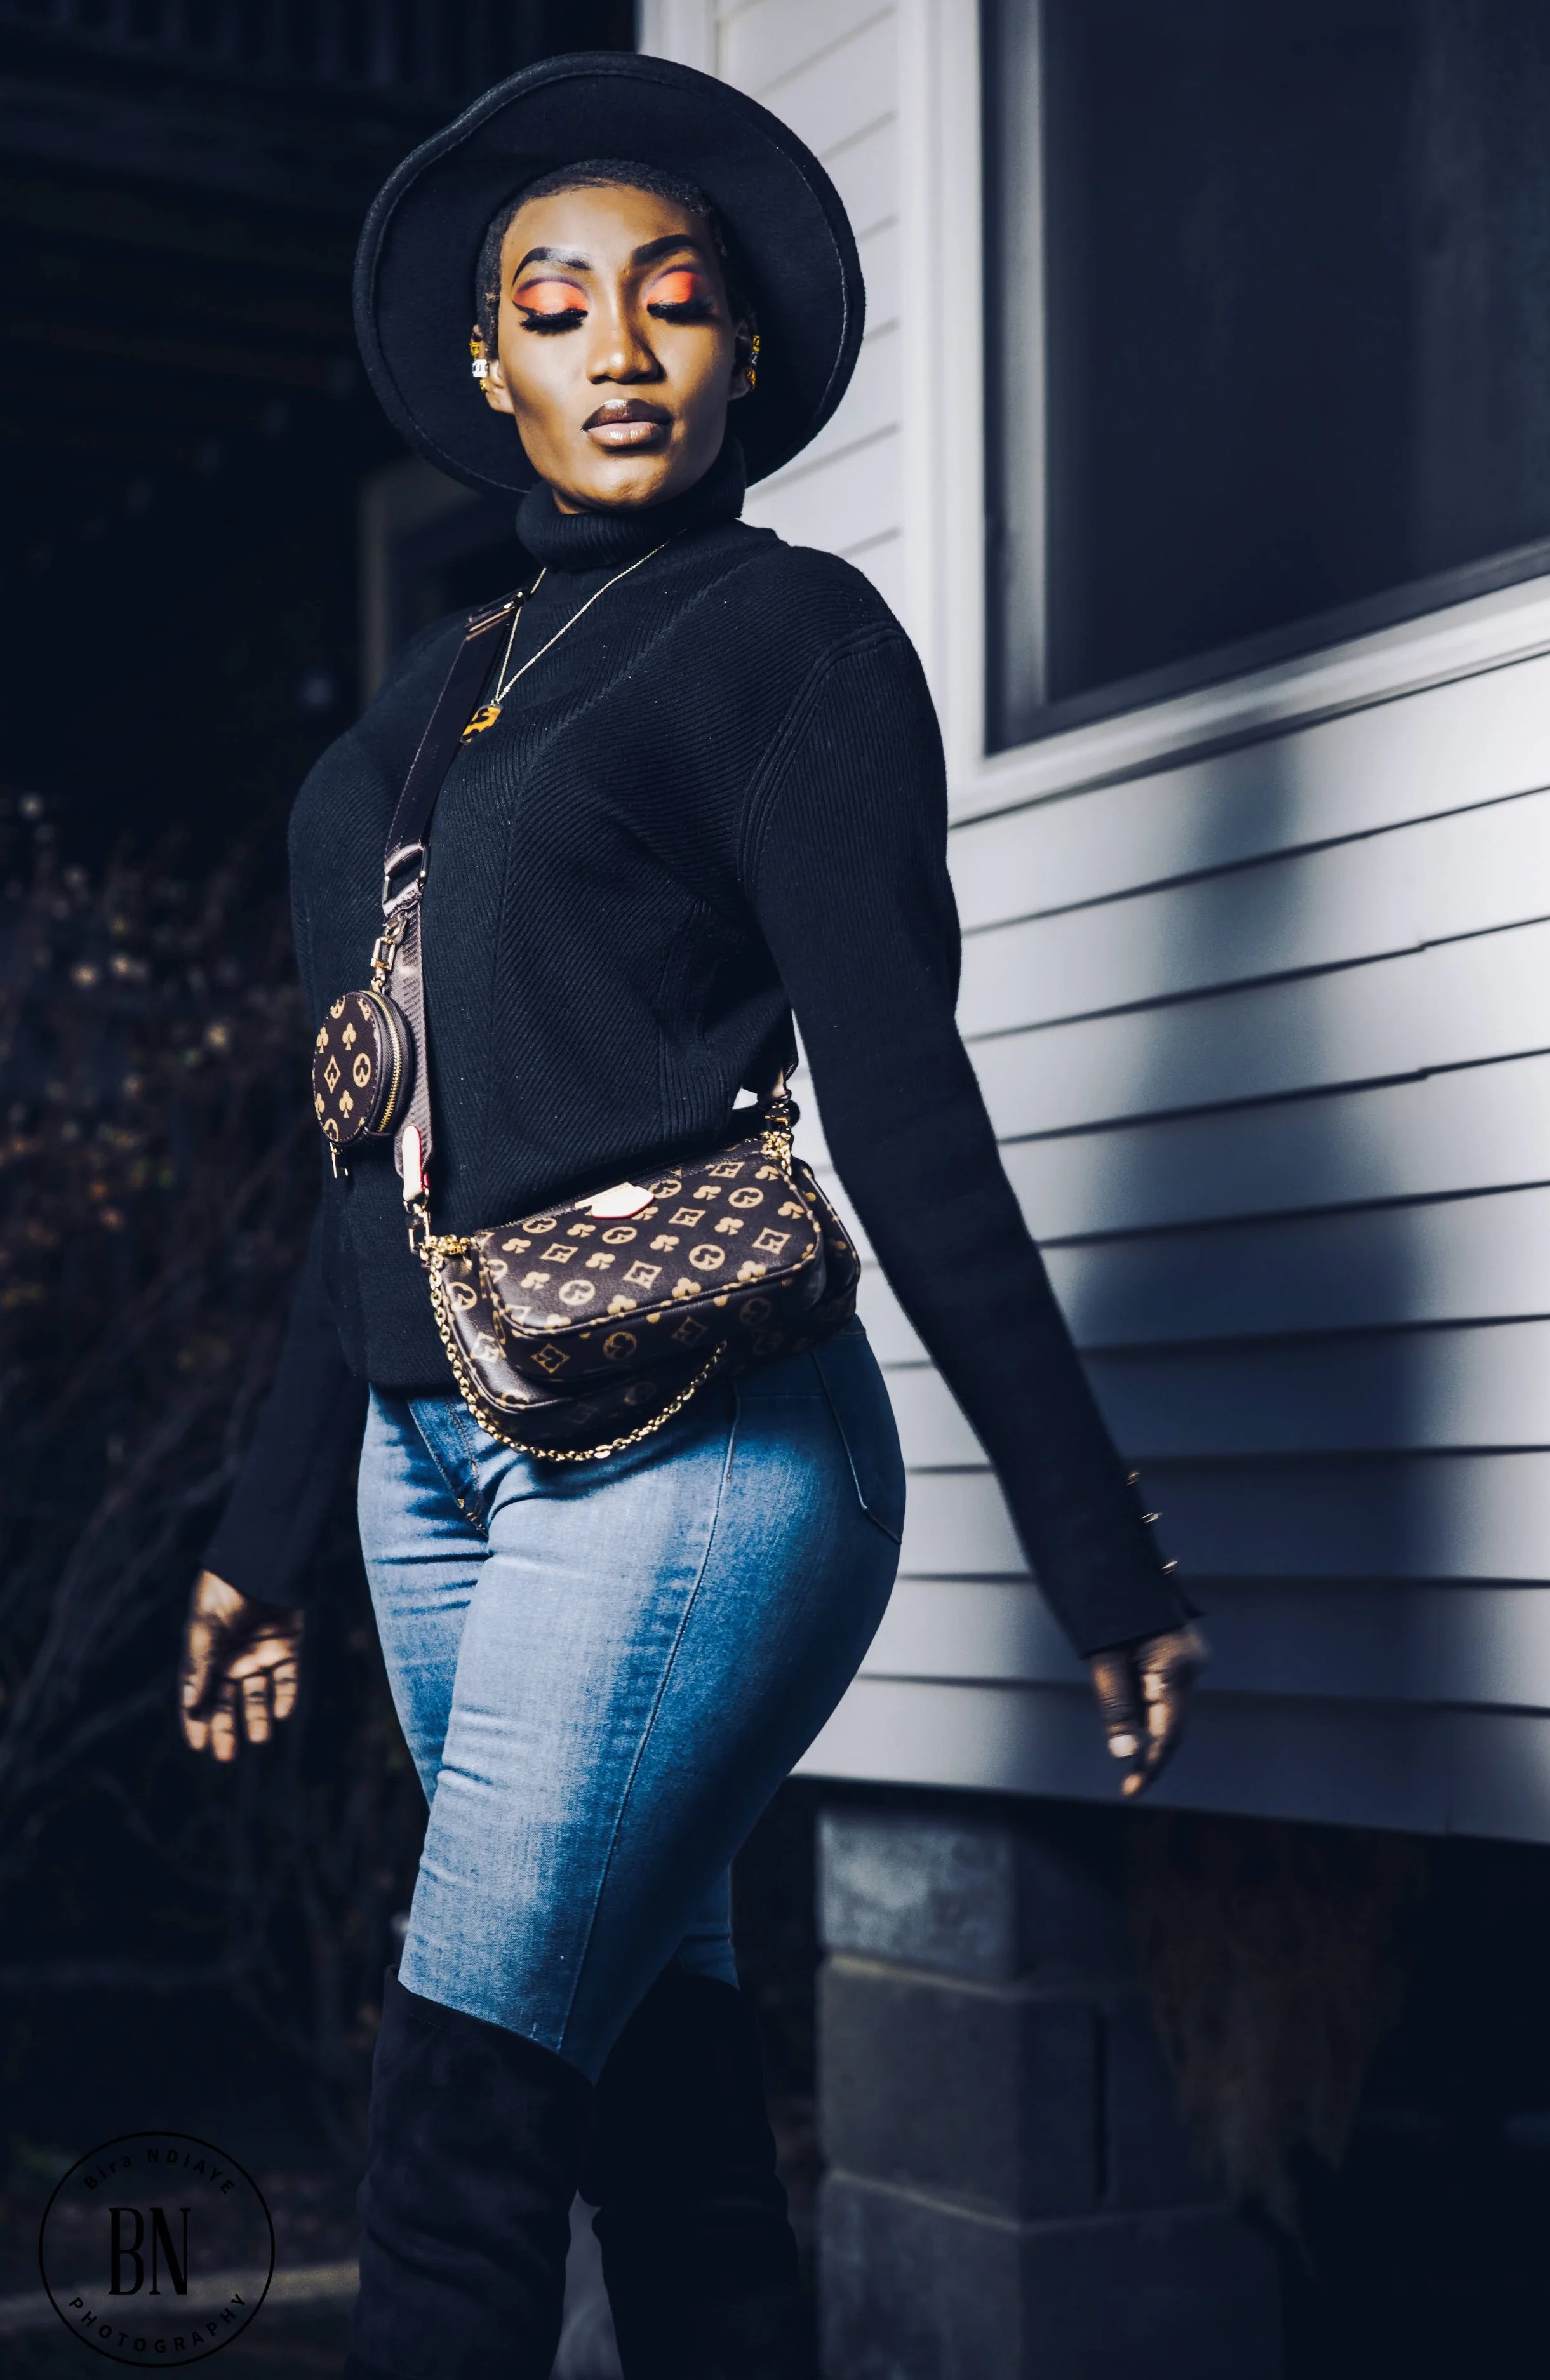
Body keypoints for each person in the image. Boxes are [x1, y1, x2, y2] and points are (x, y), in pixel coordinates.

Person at [177, 53, 1205, 2380]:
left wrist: (1092, 1540)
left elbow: (908, 1103)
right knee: (656, 2109)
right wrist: (263, 1541)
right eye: (558, 307)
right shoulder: (379, 757)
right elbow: (361, 1182)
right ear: (485, 359)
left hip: (695, 1456)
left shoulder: (787, 640)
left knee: (457, 2128)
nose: (619, 350)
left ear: (744, 354)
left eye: (672, 302)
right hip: (425, 1481)